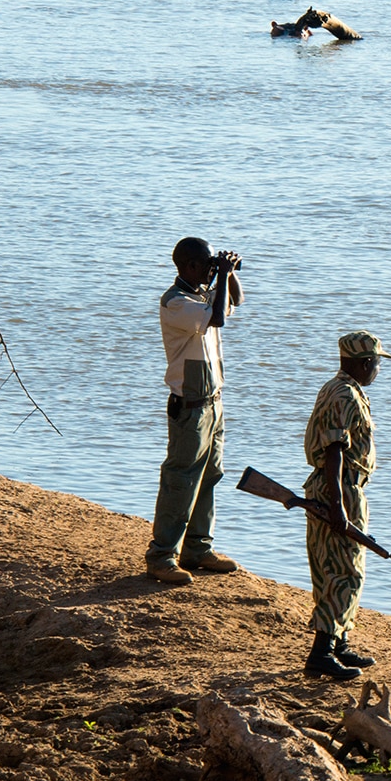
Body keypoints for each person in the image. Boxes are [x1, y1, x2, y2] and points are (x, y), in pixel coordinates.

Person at [147, 237, 244, 585]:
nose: (210, 270)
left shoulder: (201, 295)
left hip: (213, 403)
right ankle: (161, 555)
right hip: (189, 407)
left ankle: (198, 549)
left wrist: (227, 275)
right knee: (181, 479)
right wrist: (221, 274)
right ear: (189, 266)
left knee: (209, 477)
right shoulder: (176, 303)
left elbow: (235, 302)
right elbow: (216, 318)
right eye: (205, 265)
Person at [300, 331, 391, 681]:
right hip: (338, 489)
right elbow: (334, 451)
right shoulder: (345, 395)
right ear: (365, 363)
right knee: (344, 572)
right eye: (377, 363)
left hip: (337, 488)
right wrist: (338, 505)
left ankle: (338, 643)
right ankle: (321, 652)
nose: (378, 369)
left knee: (334, 566)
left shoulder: (340, 389)